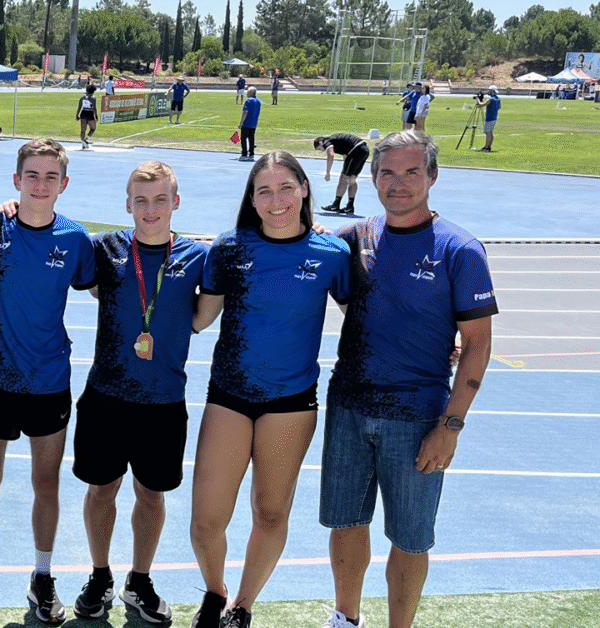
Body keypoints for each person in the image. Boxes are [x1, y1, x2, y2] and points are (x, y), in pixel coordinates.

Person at [320, 130, 498, 628]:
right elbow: (308, 264)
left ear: (432, 177)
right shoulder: (355, 239)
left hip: (418, 417)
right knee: (346, 522)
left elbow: (479, 346)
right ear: (373, 178)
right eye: (388, 173)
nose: (398, 183)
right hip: (350, 406)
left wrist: (451, 426)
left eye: (411, 172)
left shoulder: (460, 249)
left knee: (411, 536)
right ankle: (345, 618)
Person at [188, 151, 350, 628]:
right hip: (230, 397)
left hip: (291, 404)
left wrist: (439, 342)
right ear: (252, 199)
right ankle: (215, 592)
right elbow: (199, 317)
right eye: (264, 191)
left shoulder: (332, 254)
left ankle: (242, 606)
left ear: (304, 187)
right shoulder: (230, 248)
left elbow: (365, 317)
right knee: (206, 521)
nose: (276, 200)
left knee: (271, 513)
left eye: (285, 188)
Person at [0, 138, 96, 625]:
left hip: (50, 381)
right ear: (16, 180)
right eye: (30, 176)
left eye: (49, 177)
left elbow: (107, 285)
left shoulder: (76, 239)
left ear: (64, 184)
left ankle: (42, 574)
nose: (39, 185)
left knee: (46, 483)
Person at [72, 162, 207, 625]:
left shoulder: (197, 258)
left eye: (160, 199)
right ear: (128, 204)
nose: (150, 210)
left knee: (152, 494)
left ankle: (140, 579)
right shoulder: (105, 248)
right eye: (141, 200)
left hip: (164, 400)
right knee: (101, 489)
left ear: (176, 201)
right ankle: (99, 574)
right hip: (106, 395)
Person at [313, 134, 370, 214]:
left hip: (356, 150)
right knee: (352, 179)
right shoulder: (336, 142)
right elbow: (345, 154)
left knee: (343, 178)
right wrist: (347, 168)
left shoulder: (326, 141)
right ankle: (350, 206)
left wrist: (328, 172)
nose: (322, 151)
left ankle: (336, 205)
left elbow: (331, 155)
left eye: (320, 149)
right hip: (364, 150)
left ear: (320, 142)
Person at [238, 87, 262, 162]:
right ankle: (251, 154)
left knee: (243, 139)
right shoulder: (258, 101)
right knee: (251, 139)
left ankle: (244, 154)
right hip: (254, 123)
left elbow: (245, 112)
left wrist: (241, 123)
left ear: (250, 93)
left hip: (246, 123)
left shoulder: (248, 100)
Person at [475, 85, 500, 152]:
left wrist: (478, 99)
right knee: (490, 133)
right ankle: (488, 147)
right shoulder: (498, 98)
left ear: (492, 91)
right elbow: (499, 107)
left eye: (489, 90)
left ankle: (486, 147)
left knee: (488, 132)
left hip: (489, 118)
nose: (488, 92)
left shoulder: (490, 99)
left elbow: (481, 104)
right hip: (494, 117)